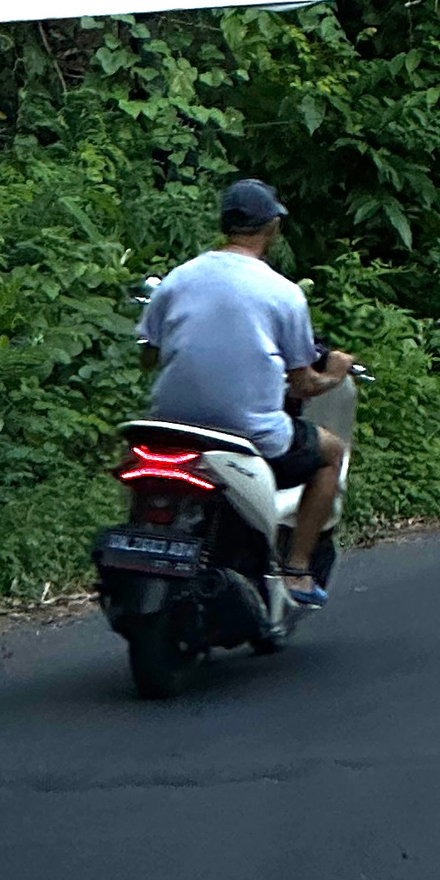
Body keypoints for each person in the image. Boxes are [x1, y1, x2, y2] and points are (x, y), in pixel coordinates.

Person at [138, 178, 354, 602]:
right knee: (331, 454)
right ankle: (297, 570)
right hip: (246, 432)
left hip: (169, 424)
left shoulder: (178, 279)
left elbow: (149, 356)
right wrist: (335, 374)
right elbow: (303, 383)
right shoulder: (283, 293)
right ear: (272, 226)